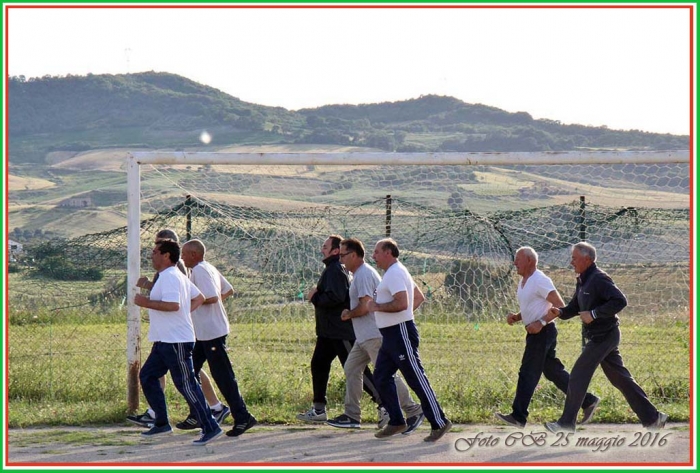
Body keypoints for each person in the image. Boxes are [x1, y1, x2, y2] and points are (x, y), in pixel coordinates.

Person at [544, 242, 668, 433]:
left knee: (577, 375)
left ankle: (566, 424)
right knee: (620, 379)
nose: (571, 262)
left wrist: (594, 314)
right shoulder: (583, 280)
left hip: (605, 336)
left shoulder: (599, 278)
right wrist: (559, 312)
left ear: (587, 259)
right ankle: (653, 418)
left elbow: (620, 301)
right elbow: (575, 308)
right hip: (598, 337)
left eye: (574, 258)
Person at [126, 229, 229, 429]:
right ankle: (160, 421)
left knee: (187, 383)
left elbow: (174, 304)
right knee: (149, 376)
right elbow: (196, 297)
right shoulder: (168, 274)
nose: (151, 254)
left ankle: (211, 422)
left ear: (166, 254)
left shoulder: (172, 274)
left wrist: (145, 302)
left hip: (176, 339)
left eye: (155, 250)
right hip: (164, 338)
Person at [326, 238, 424, 434]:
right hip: (364, 337)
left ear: (353, 255)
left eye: (343, 255)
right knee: (352, 368)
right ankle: (352, 415)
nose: (340, 259)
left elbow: (365, 306)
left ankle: (414, 409)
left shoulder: (363, 275)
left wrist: (348, 314)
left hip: (374, 335)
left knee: (387, 375)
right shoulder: (360, 274)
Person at [495, 246, 599, 429]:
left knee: (527, 372)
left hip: (543, 333)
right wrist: (518, 317)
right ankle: (587, 401)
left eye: (518, 259)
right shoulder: (524, 281)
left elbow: (559, 306)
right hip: (535, 333)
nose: (514, 263)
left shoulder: (540, 280)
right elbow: (534, 306)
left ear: (529, 261)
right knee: (553, 372)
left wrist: (541, 323)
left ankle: (518, 416)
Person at [367, 238, 452, 442]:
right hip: (391, 335)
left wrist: (380, 309)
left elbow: (403, 302)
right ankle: (396, 421)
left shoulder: (395, 273)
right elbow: (418, 297)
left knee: (415, 377)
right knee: (381, 377)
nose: (374, 256)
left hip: (400, 334)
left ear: (388, 252)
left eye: (377, 252)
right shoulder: (394, 273)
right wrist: (399, 317)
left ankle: (439, 422)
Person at [296, 235, 382, 424]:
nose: (322, 250)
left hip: (340, 331)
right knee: (319, 364)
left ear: (336, 251)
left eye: (325, 247)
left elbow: (336, 296)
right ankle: (319, 409)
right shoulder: (332, 268)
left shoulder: (335, 269)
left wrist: (315, 297)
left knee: (357, 369)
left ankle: (384, 403)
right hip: (328, 332)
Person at [180, 239, 257, 437]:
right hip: (204, 332)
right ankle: (199, 413)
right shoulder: (207, 268)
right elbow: (227, 289)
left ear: (194, 255)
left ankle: (243, 416)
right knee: (189, 373)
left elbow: (213, 296)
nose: (182, 257)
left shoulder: (200, 270)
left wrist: (194, 304)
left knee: (223, 376)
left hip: (211, 332)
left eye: (184, 254)